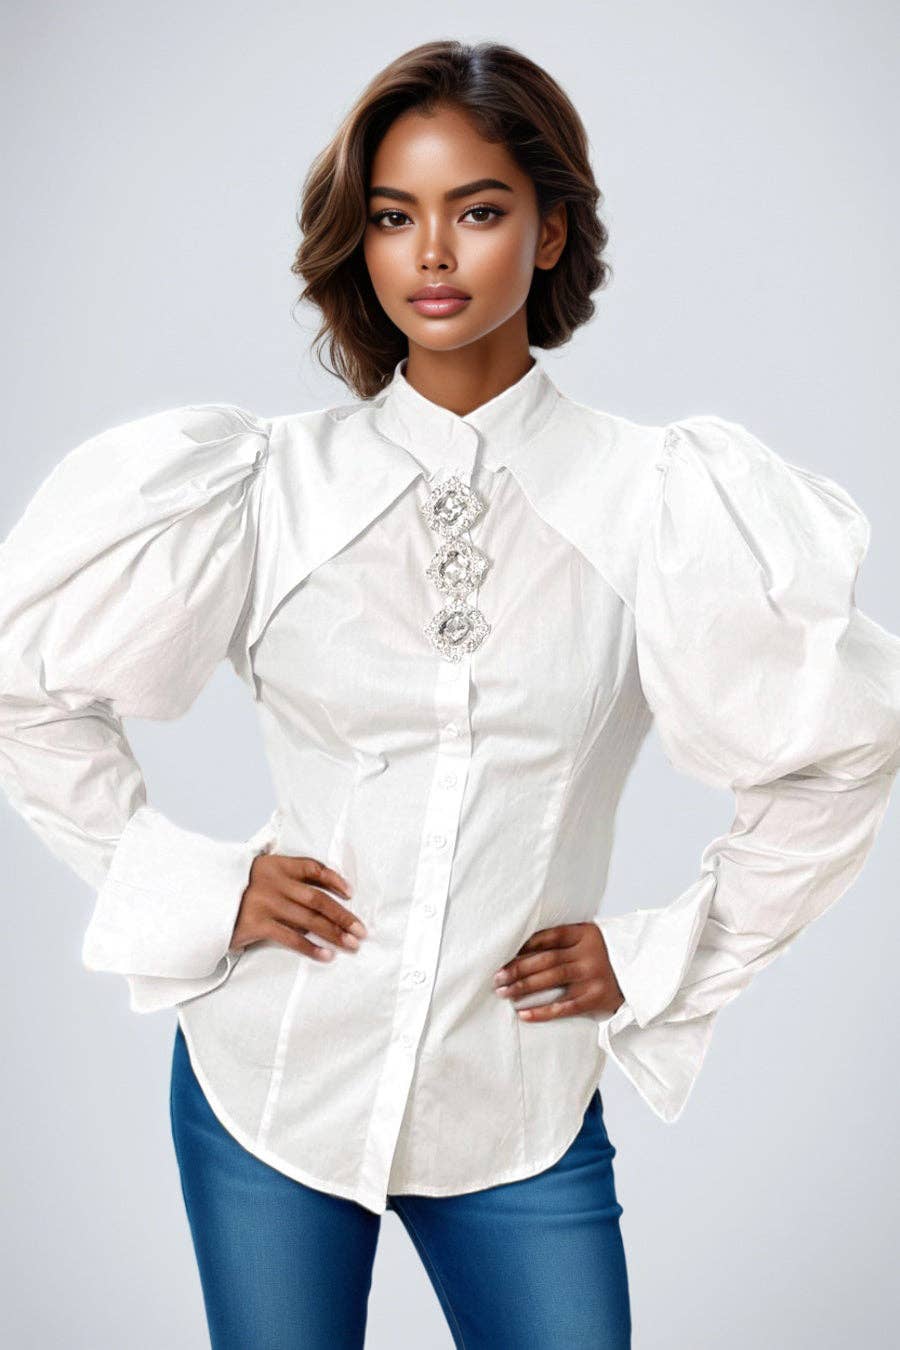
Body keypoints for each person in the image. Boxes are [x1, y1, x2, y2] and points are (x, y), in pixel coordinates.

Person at [1, 38, 897, 1350]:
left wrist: (656, 953)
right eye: (393, 216)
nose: (432, 253)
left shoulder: (655, 503)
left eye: (477, 210)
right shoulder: (261, 487)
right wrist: (201, 887)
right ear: (359, 241)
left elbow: (841, 751)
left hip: (518, 1100)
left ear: (549, 232)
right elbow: (23, 682)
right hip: (272, 1082)